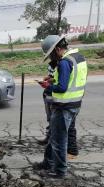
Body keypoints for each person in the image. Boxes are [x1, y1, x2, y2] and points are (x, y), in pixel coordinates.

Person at [34, 35, 87, 178]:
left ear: (57, 49)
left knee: (59, 140)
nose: (52, 59)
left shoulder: (64, 62)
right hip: (74, 104)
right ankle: (47, 162)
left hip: (64, 106)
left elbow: (63, 88)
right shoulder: (78, 57)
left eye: (51, 54)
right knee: (54, 136)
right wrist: (52, 79)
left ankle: (59, 171)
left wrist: (48, 86)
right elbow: (71, 79)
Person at [38, 60, 79, 159]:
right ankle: (49, 139)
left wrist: (49, 84)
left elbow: (62, 85)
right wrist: (49, 79)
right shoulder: (54, 63)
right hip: (52, 95)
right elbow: (55, 78)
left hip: (64, 100)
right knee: (52, 121)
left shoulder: (64, 64)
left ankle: (72, 151)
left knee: (68, 127)